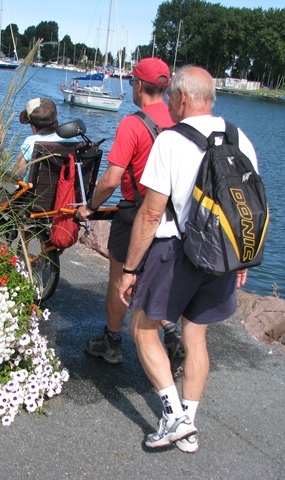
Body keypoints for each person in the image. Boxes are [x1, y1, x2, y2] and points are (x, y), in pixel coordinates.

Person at [117, 65, 258, 452]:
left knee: (143, 328)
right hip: (223, 254)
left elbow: (150, 213)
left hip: (177, 251)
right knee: (196, 337)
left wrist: (130, 269)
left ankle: (175, 418)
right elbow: (248, 205)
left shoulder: (171, 141)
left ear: (180, 98)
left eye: (172, 99)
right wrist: (242, 258)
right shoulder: (240, 137)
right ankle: (187, 425)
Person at [75, 58, 185, 372]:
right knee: (158, 279)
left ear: (138, 85)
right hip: (173, 215)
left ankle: (111, 342)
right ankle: (173, 334)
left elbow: (110, 180)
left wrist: (91, 207)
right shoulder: (181, 121)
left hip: (136, 214)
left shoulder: (133, 124)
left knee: (120, 280)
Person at [14, 97, 79, 179]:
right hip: (66, 190)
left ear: (33, 126)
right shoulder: (73, 141)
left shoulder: (31, 142)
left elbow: (18, 174)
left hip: (32, 191)